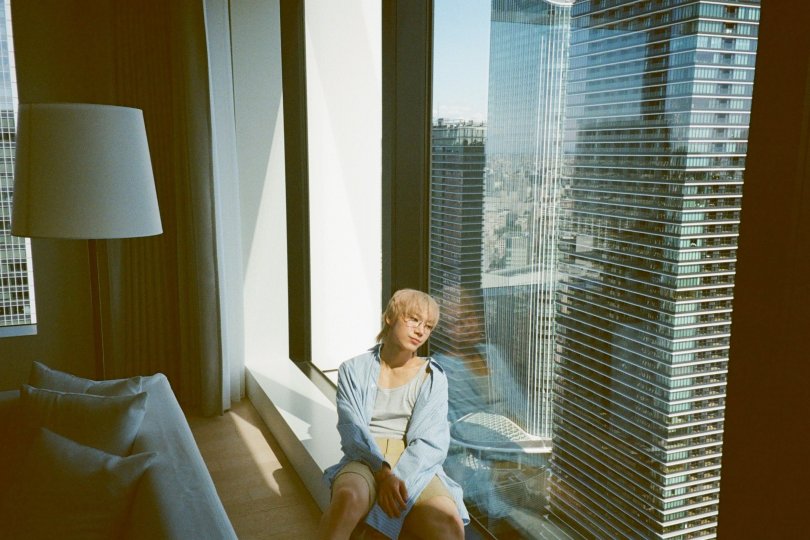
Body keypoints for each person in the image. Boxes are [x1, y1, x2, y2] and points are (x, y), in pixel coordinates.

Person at [318, 289, 469, 540]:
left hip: (414, 460)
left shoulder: (433, 376)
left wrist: (394, 487)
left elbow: (430, 443)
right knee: (347, 499)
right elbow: (352, 431)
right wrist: (383, 474)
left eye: (428, 326)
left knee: (450, 523)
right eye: (413, 319)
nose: (420, 331)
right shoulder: (352, 369)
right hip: (366, 456)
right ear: (390, 317)